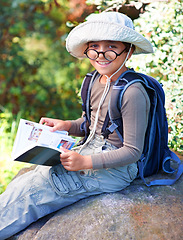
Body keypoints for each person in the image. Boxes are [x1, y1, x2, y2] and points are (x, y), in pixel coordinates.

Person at [0, 11, 153, 239]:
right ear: (86, 50)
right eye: (94, 46)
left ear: (128, 50)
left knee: (34, 192)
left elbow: (132, 151)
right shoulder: (93, 81)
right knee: (28, 179)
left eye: (111, 46)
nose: (101, 54)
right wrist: (67, 125)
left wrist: (86, 162)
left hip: (114, 170)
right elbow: (90, 125)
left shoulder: (133, 92)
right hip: (89, 150)